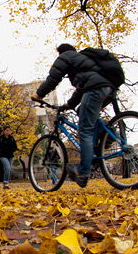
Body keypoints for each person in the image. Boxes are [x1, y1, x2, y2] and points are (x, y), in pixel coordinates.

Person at [31, 43, 116, 188]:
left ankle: (82, 172)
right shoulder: (81, 62)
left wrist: (39, 94)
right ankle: (105, 136)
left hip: (95, 89)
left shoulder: (66, 56)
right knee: (82, 110)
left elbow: (54, 77)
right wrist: (69, 104)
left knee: (84, 129)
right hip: (108, 88)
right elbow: (81, 90)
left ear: (61, 52)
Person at [0, 125, 18, 189]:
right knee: (7, 168)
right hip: (3, 156)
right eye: (7, 130)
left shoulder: (11, 138)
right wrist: (1, 150)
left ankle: (6, 183)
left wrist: (12, 150)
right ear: (4, 131)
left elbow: (15, 146)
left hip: (10, 156)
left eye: (9, 130)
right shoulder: (0, 138)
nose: (8, 132)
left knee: (8, 169)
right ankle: (5, 183)